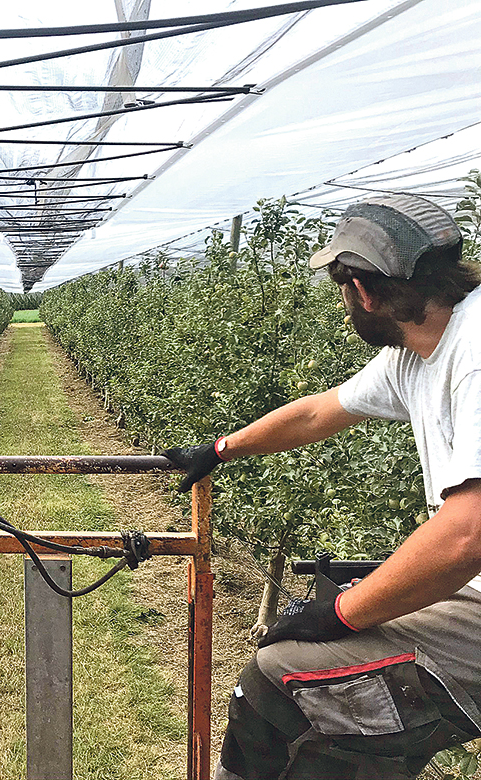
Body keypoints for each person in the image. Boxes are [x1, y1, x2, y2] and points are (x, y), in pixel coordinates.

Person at [165, 194, 481, 779]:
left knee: (280, 680)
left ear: (363, 291)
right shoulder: (421, 348)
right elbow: (318, 413)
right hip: (470, 589)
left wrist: (340, 612)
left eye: (342, 292)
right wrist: (222, 448)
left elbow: (467, 536)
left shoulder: (475, 353)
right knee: (328, 704)